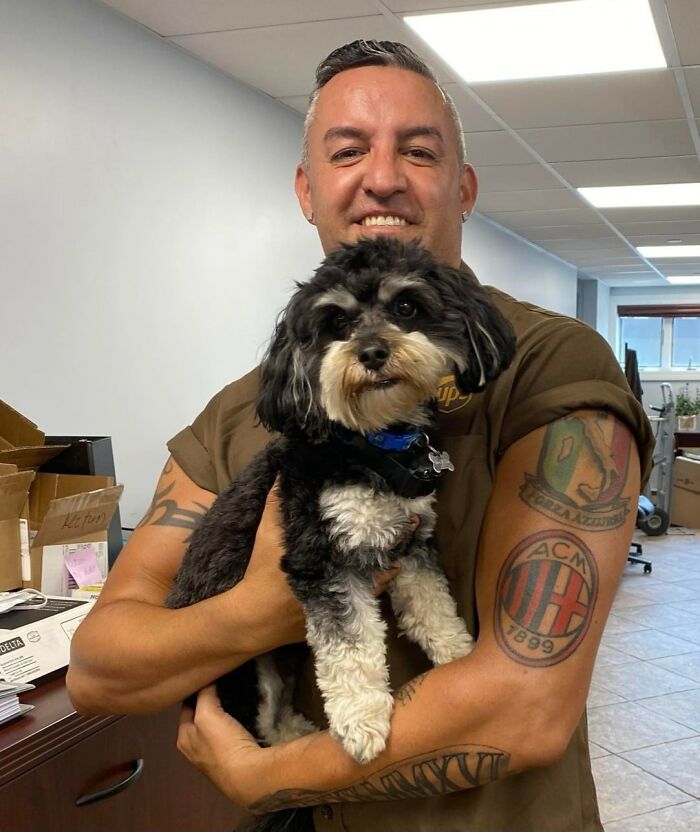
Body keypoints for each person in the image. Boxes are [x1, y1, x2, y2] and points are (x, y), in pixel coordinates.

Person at [68, 40, 655, 832]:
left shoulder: (550, 363)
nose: (382, 177)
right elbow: (99, 668)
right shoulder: (242, 410)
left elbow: (527, 706)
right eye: (348, 151)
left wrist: (269, 777)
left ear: (463, 188)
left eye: (419, 151)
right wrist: (260, 610)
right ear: (307, 190)